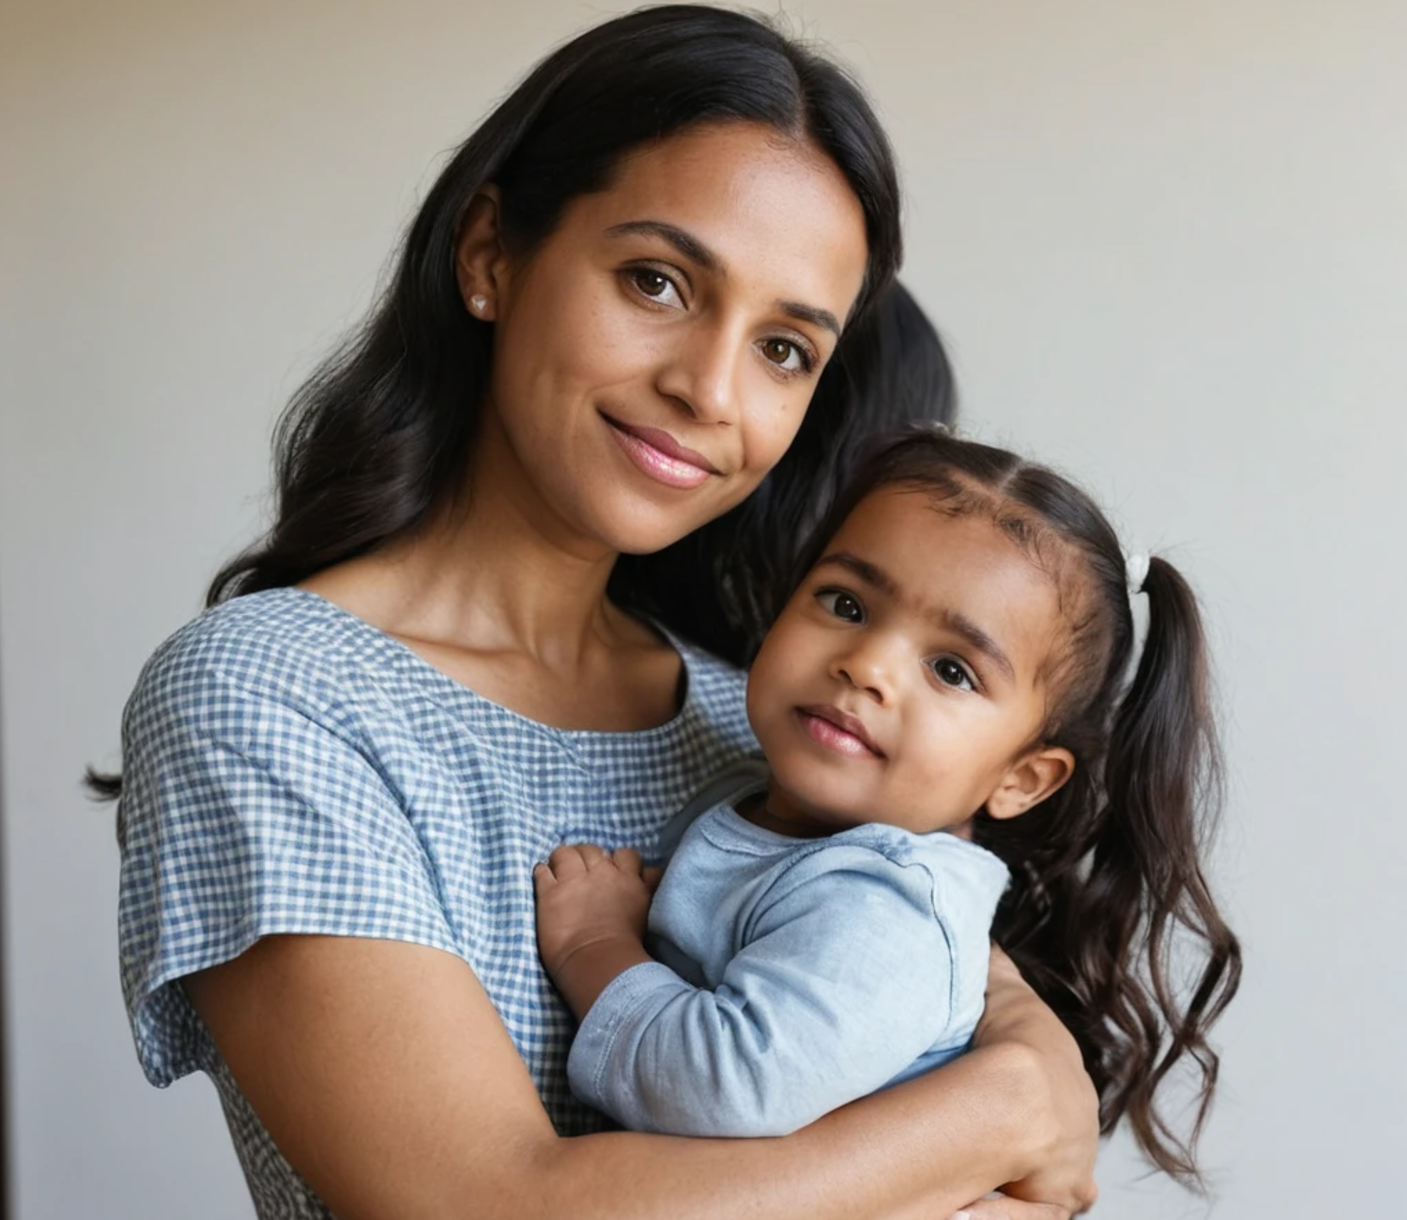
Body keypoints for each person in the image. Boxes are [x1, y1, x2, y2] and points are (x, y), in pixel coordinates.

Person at [102, 7, 1100, 1219]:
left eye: (785, 349)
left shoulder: (773, 722)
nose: (708, 389)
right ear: (490, 253)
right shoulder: (277, 695)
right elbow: (487, 1208)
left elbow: (986, 1040)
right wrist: (1005, 1109)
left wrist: (1030, 1088)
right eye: (657, 281)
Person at [534, 431, 1241, 1189]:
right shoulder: (752, 796)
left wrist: (596, 944)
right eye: (844, 603)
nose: (866, 666)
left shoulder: (889, 905)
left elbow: (720, 1089)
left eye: (950, 669)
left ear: (1023, 779)